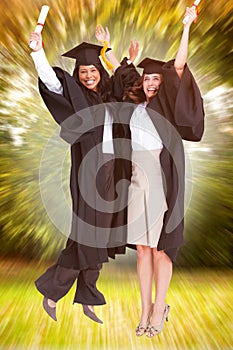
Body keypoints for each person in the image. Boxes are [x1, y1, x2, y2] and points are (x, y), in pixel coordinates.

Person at [96, 6, 204, 337]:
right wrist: (108, 48)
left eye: (158, 78)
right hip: (136, 182)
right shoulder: (136, 105)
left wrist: (186, 26)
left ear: (164, 83)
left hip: (159, 177)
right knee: (142, 248)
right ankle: (144, 310)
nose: (152, 82)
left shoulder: (166, 107)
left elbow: (180, 65)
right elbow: (120, 73)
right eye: (149, 78)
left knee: (160, 247)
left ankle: (160, 309)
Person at [28, 31, 132, 324]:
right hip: (90, 172)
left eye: (93, 71)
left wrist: (110, 49)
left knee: (101, 234)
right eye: (84, 71)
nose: (89, 76)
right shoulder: (77, 97)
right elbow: (51, 83)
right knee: (89, 234)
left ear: (100, 72)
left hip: (116, 171)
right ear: (78, 74)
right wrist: (37, 53)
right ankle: (52, 291)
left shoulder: (110, 96)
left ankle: (87, 297)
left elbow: (128, 82)